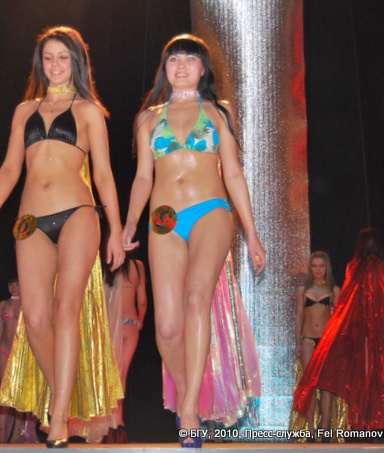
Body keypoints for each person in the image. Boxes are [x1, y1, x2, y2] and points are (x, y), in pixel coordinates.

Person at [0, 26, 124, 448]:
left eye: (62, 57)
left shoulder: (89, 111)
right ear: (40, 64)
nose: (55, 64)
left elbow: (103, 174)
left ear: (76, 61)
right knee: (36, 317)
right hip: (30, 220)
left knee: (65, 310)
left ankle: (57, 419)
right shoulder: (25, 110)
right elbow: (10, 168)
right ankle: (62, 395)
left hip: (78, 213)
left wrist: (115, 229)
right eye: (48, 57)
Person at [121, 34, 266, 447]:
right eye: (174, 60)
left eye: (190, 59)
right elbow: (143, 177)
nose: (181, 66)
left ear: (203, 69)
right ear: (164, 69)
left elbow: (233, 173)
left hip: (210, 211)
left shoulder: (218, 112)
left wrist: (252, 234)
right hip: (164, 219)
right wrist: (130, 222)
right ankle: (190, 394)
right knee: (167, 328)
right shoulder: (148, 118)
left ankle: (188, 412)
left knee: (196, 298)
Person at [292, 227, 384, 432]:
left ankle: (362, 422)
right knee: (380, 374)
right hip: (380, 328)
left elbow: (346, 305)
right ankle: (371, 423)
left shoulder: (352, 268)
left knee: (362, 375)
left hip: (360, 328)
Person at [289, 251, 342, 441]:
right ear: (310, 268)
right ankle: (311, 428)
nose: (318, 270)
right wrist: (297, 342)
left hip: (327, 341)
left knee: (327, 386)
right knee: (309, 385)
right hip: (308, 340)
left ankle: (325, 428)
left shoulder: (334, 290)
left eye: (321, 266)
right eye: (314, 266)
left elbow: (339, 319)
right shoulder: (303, 289)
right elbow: (299, 316)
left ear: (327, 268)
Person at [100, 233, 148, 444]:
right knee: (121, 374)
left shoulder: (106, 263)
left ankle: (107, 421)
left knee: (107, 374)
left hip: (109, 324)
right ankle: (117, 420)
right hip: (130, 324)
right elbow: (142, 301)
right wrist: (140, 321)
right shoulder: (138, 267)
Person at [0, 278, 38, 443]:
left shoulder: (27, 303)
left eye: (17, 283)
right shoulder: (2, 305)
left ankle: (17, 431)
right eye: (10, 284)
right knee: (3, 390)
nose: (13, 287)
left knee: (19, 390)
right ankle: (2, 431)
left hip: (20, 351)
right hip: (4, 348)